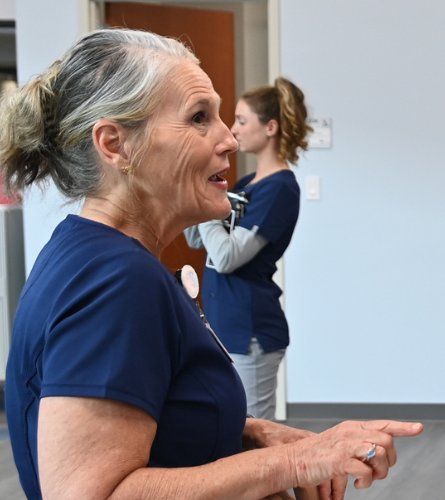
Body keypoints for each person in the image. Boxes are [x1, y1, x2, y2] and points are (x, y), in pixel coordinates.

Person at [1, 29, 422, 500]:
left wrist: (249, 434)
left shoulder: (84, 250)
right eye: (200, 118)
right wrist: (294, 462)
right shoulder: (116, 280)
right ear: (116, 145)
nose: (228, 140)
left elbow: (152, 425)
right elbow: (89, 493)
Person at [183, 77, 310, 420]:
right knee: (231, 428)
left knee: (255, 431)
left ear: (270, 127)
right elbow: (198, 241)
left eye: (241, 120)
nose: (232, 129)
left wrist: (210, 210)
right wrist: (197, 191)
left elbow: (226, 257)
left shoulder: (280, 189)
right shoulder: (244, 185)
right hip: (225, 323)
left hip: (250, 330)